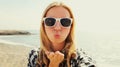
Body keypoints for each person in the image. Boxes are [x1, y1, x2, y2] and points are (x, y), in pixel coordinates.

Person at [28, 2, 96, 67]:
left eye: (65, 22)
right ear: (43, 25)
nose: (57, 28)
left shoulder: (79, 57)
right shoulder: (35, 55)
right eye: (50, 21)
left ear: (71, 27)